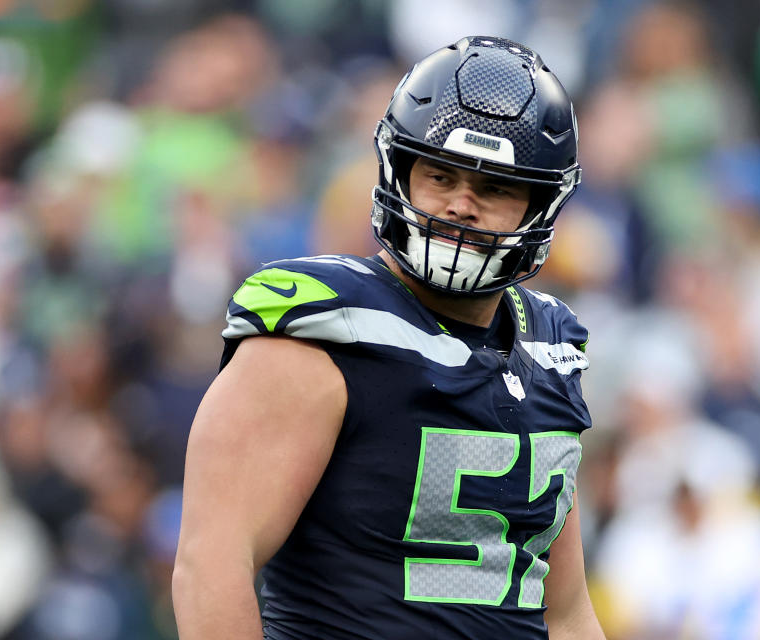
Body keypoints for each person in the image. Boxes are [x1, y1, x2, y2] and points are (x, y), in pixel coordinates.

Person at [173, 36, 606, 640]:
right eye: (440, 175)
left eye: (496, 188)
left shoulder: (549, 346)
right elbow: (212, 563)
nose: (462, 205)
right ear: (398, 170)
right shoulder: (323, 329)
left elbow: (564, 611)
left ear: (542, 203)